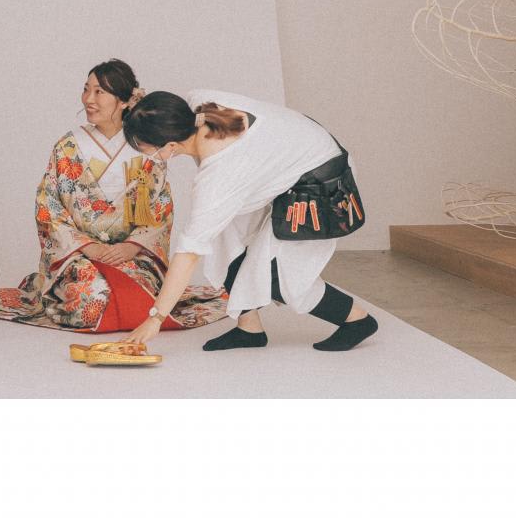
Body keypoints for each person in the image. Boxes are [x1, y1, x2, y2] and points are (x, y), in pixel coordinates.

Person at [121, 89, 378, 354]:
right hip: (294, 157)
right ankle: (249, 329)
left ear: (171, 147)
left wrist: (156, 318)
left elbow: (188, 254)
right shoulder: (195, 103)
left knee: (278, 276)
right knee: (224, 238)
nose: (148, 157)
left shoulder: (219, 177)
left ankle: (356, 320)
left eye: (146, 150)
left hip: (322, 177)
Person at [0, 61, 227, 332]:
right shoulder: (68, 146)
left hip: (132, 255)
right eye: (86, 89)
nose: (88, 99)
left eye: (99, 92)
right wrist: (87, 247)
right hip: (77, 255)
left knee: (139, 299)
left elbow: (160, 208)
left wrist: (132, 246)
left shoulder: (146, 144)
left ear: (124, 101)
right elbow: (48, 206)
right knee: (92, 299)